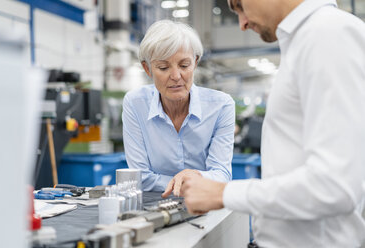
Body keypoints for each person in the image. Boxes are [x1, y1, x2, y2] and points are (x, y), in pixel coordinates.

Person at [181, 0, 365, 247]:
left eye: (239, 6)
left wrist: (223, 193)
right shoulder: (307, 39)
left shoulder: (326, 35)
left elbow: (335, 185)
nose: (242, 23)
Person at [122, 20, 235, 194]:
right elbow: (140, 177)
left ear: (195, 63)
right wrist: (190, 183)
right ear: (147, 68)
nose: (176, 76)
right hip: (155, 205)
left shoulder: (221, 106)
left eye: (184, 65)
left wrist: (194, 175)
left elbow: (222, 173)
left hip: (205, 202)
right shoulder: (135, 104)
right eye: (163, 67)